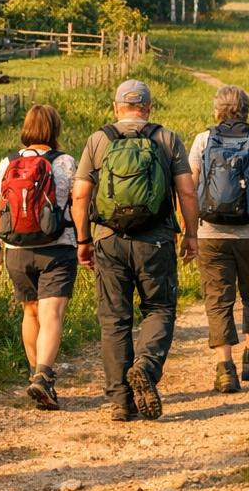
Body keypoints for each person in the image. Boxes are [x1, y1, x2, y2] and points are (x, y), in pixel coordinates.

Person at [70, 80, 198, 421]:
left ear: (116, 107)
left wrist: (83, 241)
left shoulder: (99, 140)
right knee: (159, 308)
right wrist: (191, 234)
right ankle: (145, 365)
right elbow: (187, 192)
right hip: (156, 239)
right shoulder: (167, 138)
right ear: (149, 107)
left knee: (114, 319)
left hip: (108, 239)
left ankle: (120, 403)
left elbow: (81, 195)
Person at [188, 85, 249, 393]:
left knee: (218, 299)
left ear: (217, 110)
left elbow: (190, 188)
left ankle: (224, 368)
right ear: (246, 110)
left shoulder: (203, 141)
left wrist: (189, 231)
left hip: (210, 234)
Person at [0, 104, 78, 410]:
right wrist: (85, 240)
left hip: (16, 249)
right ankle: (43, 376)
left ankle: (33, 376)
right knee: (51, 314)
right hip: (58, 247)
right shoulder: (65, 163)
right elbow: (76, 204)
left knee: (30, 312)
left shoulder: (8, 162)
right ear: (55, 129)